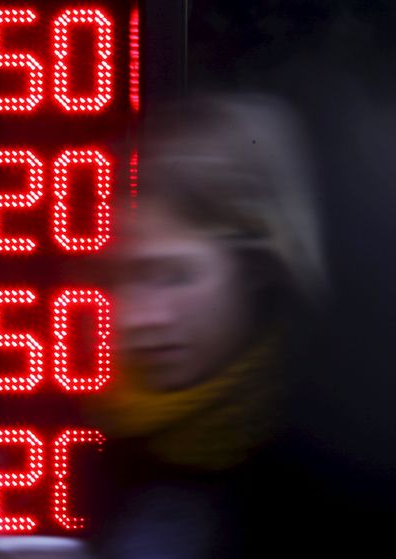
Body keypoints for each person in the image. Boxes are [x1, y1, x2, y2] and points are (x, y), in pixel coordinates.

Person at [90, 93, 327, 558]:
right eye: (116, 279)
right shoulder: (99, 449)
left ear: (257, 269)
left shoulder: (334, 463)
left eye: (173, 277)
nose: (136, 317)